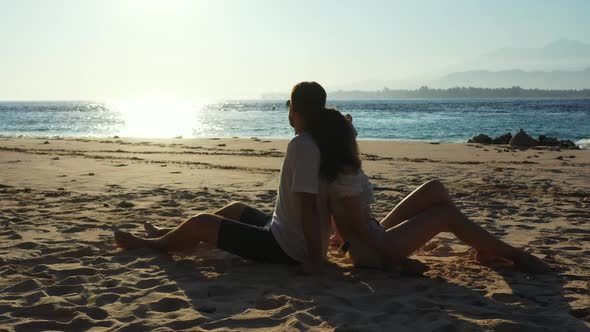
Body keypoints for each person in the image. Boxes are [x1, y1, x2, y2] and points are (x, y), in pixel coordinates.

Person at [114, 82, 333, 272]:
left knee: (202, 222)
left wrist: (314, 260)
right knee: (235, 209)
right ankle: (170, 234)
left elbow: (309, 206)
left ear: (294, 111)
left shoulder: (302, 145)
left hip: (286, 247)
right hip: (283, 230)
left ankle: (153, 244)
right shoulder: (321, 141)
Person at [319, 109, 550, 273]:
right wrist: (396, 263)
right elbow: (360, 232)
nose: (351, 122)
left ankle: (485, 248)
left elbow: (342, 219)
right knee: (445, 215)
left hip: (371, 237)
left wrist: (340, 237)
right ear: (342, 136)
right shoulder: (345, 176)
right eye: (346, 122)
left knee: (434, 189)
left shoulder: (339, 169)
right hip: (374, 251)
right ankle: (513, 255)